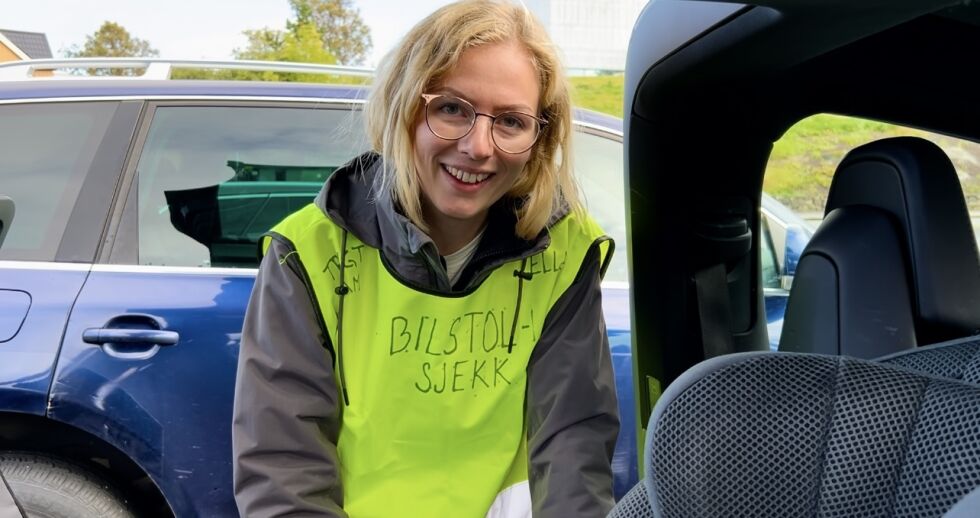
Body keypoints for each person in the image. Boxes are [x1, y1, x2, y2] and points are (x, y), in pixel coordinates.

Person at [232, 1, 620, 516]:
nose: (479, 147)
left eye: (510, 121)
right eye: (452, 108)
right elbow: (282, 468)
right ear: (403, 107)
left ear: (539, 137)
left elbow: (573, 448)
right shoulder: (306, 254)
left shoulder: (566, 252)